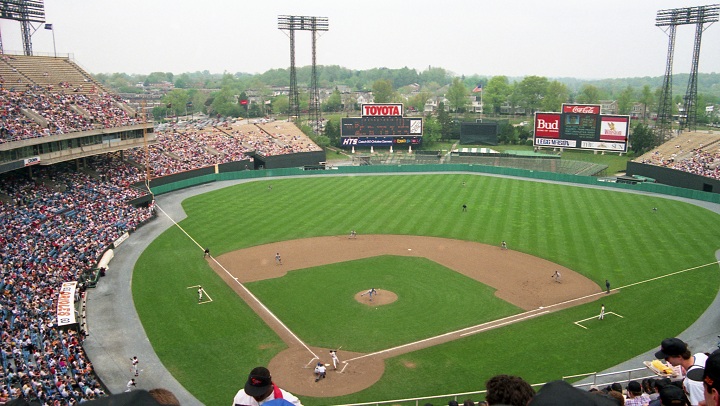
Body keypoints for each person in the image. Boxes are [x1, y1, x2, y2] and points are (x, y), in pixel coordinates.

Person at [654, 338, 708, 406]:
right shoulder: (701, 356)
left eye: (667, 358)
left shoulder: (692, 382)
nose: (666, 361)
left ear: (679, 356)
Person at [232, 366, 302, 406]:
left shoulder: (288, 401)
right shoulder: (240, 396)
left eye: (260, 393)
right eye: (253, 392)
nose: (257, 396)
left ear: (270, 385)